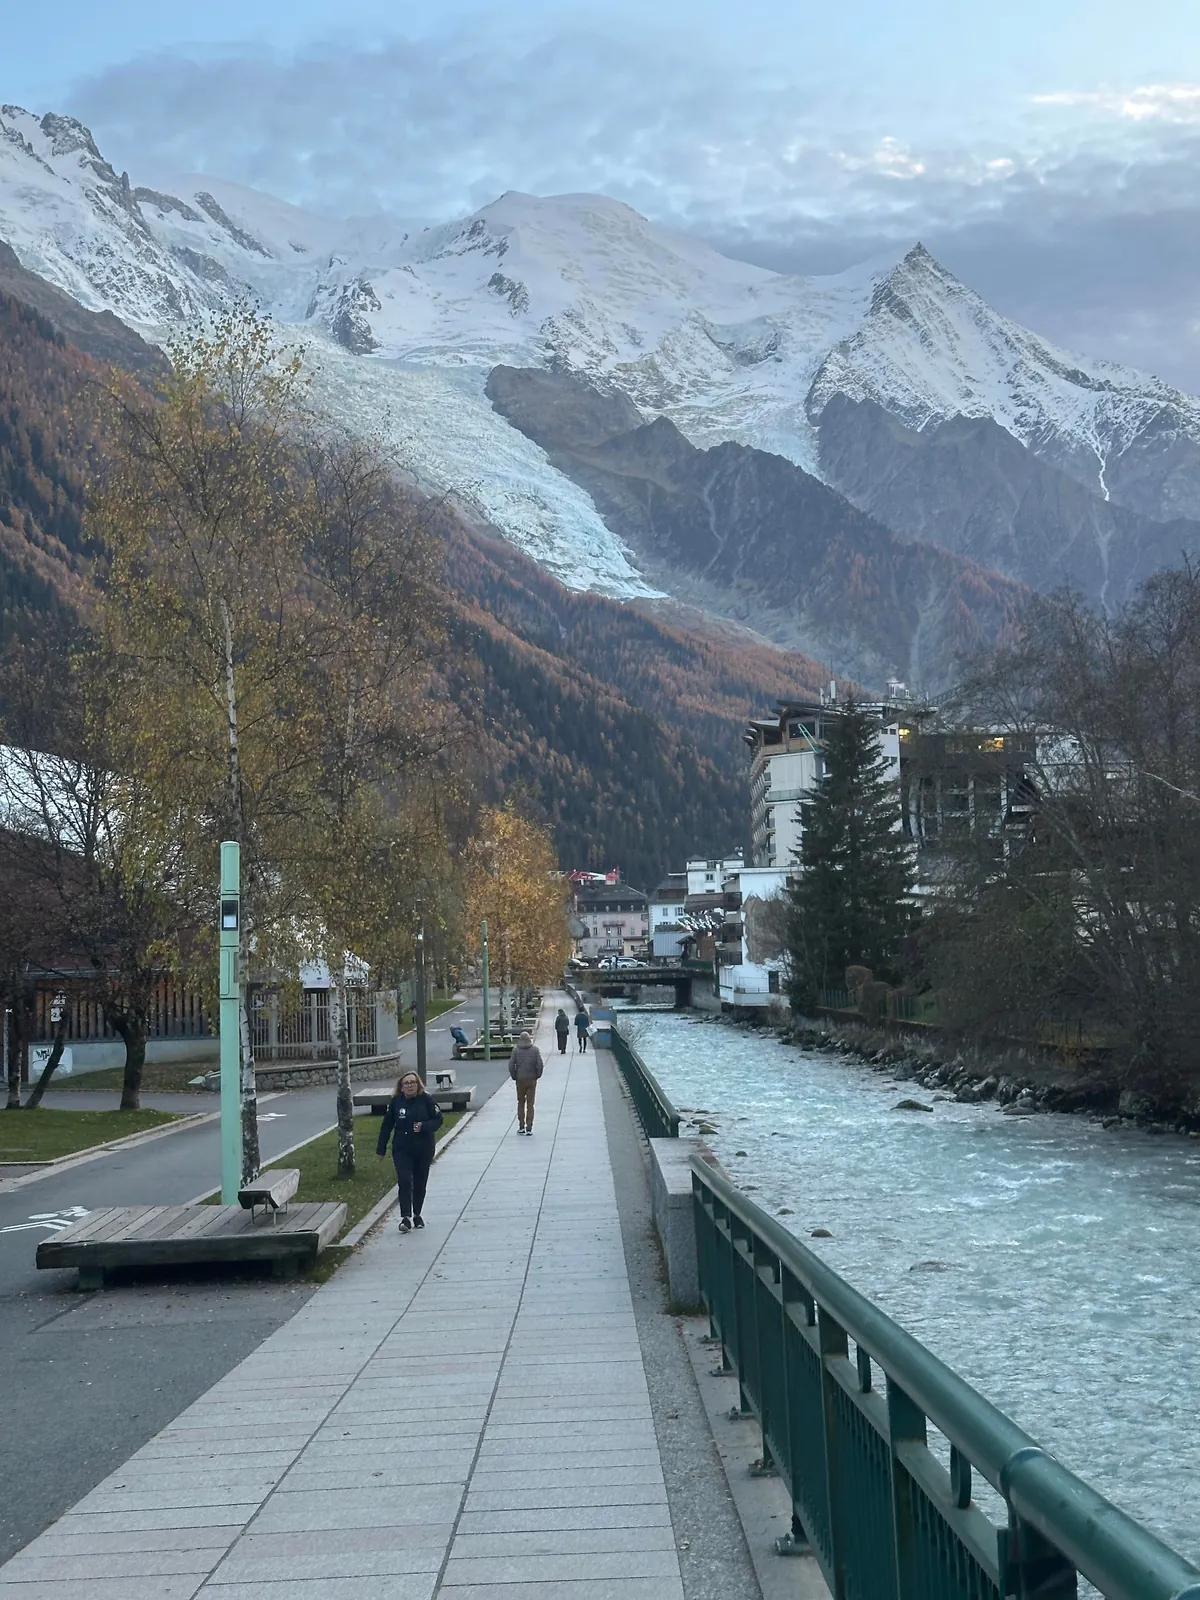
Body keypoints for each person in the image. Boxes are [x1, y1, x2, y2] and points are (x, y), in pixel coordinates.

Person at [376, 1070, 443, 1231]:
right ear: (401, 1087)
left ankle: (417, 1214)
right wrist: (381, 1149)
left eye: (413, 1082)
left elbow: (438, 1119)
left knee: (420, 1183)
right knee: (405, 1181)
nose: (410, 1086)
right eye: (406, 1083)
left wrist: (424, 1126)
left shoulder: (426, 1100)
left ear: (418, 1085)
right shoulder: (396, 1103)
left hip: (423, 1148)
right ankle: (405, 1217)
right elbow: (386, 1126)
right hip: (402, 1148)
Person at [508, 1030, 544, 1135]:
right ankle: (529, 1127)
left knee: (520, 1102)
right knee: (530, 1103)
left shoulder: (516, 1050)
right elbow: (540, 1064)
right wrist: (537, 1075)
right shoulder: (535, 1050)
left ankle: (521, 1126)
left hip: (520, 1080)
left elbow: (511, 1065)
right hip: (532, 1079)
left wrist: (515, 1076)